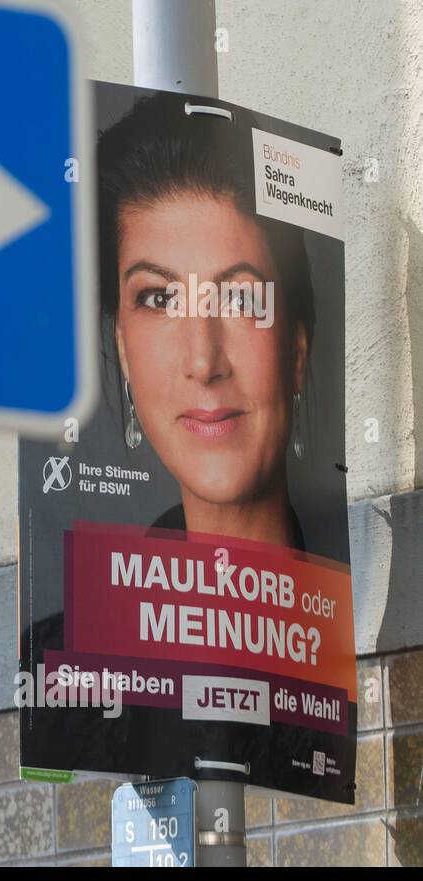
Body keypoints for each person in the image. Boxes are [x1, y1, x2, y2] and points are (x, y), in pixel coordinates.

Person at [98, 93, 316, 550]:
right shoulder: (69, 624)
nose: (203, 361)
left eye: (238, 297)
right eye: (159, 297)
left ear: (296, 349)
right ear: (122, 346)